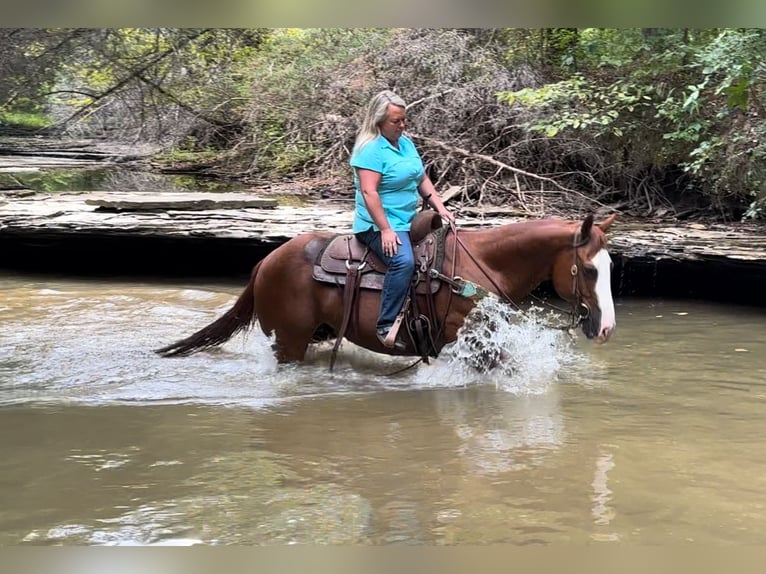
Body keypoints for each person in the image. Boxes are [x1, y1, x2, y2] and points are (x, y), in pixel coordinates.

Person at [350, 90, 454, 349]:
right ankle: (385, 325)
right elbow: (368, 191)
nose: (402, 125)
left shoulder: (405, 143)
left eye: (403, 119)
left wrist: (441, 208)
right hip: (377, 224)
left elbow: (421, 179)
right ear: (378, 122)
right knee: (403, 262)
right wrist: (385, 230)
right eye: (396, 121)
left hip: (410, 219)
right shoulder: (370, 150)